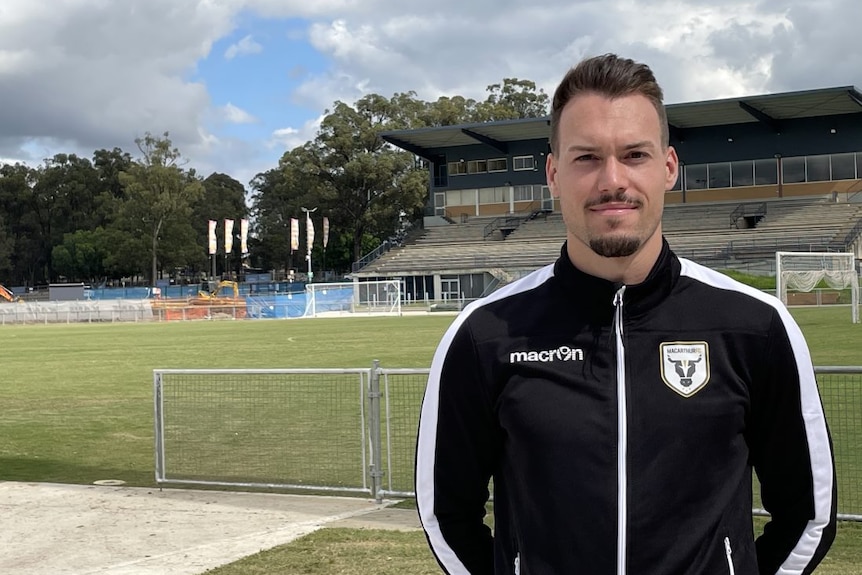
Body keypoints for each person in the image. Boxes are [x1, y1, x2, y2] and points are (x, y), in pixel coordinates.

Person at [415, 53, 836, 575]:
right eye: (586, 158)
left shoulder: (754, 325)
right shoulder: (484, 335)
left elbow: (809, 514)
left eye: (634, 154)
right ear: (553, 173)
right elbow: (445, 513)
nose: (612, 180)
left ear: (669, 167)